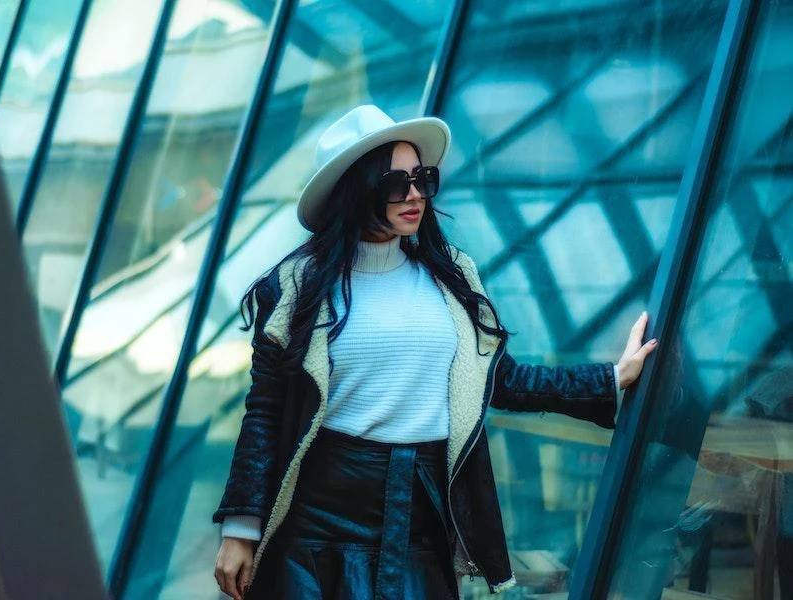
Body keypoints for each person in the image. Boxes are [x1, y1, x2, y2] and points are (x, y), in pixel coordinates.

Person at [212, 105, 658, 599]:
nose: (415, 195)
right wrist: (240, 529)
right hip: (316, 519)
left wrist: (609, 379)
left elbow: (501, 380)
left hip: (420, 513)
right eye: (394, 183)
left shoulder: (452, 278)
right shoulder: (297, 287)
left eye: (423, 178)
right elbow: (265, 414)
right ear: (356, 192)